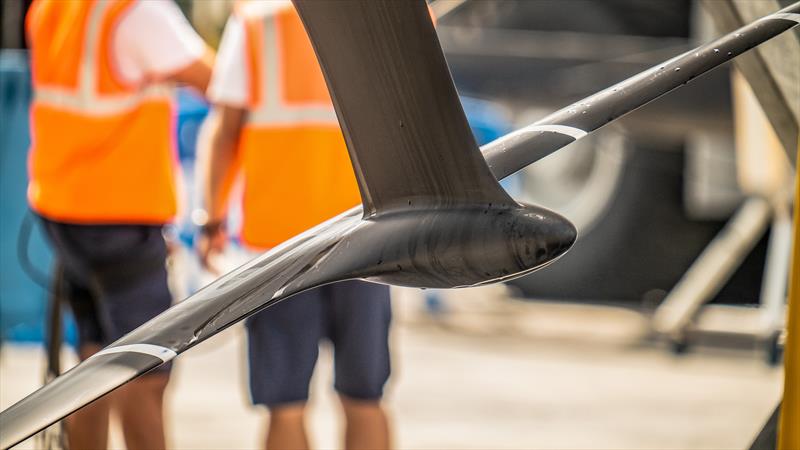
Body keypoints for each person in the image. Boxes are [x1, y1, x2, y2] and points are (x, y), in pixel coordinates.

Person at [196, 2, 392, 449]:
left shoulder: (257, 22)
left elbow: (224, 130)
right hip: (371, 237)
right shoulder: (389, 14)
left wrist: (211, 220)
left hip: (281, 246)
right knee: (365, 396)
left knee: (285, 404)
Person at [25, 1, 214, 448]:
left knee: (94, 360)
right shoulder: (137, 11)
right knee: (145, 373)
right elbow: (219, 79)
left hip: (64, 211)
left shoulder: (55, 7)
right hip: (119, 217)